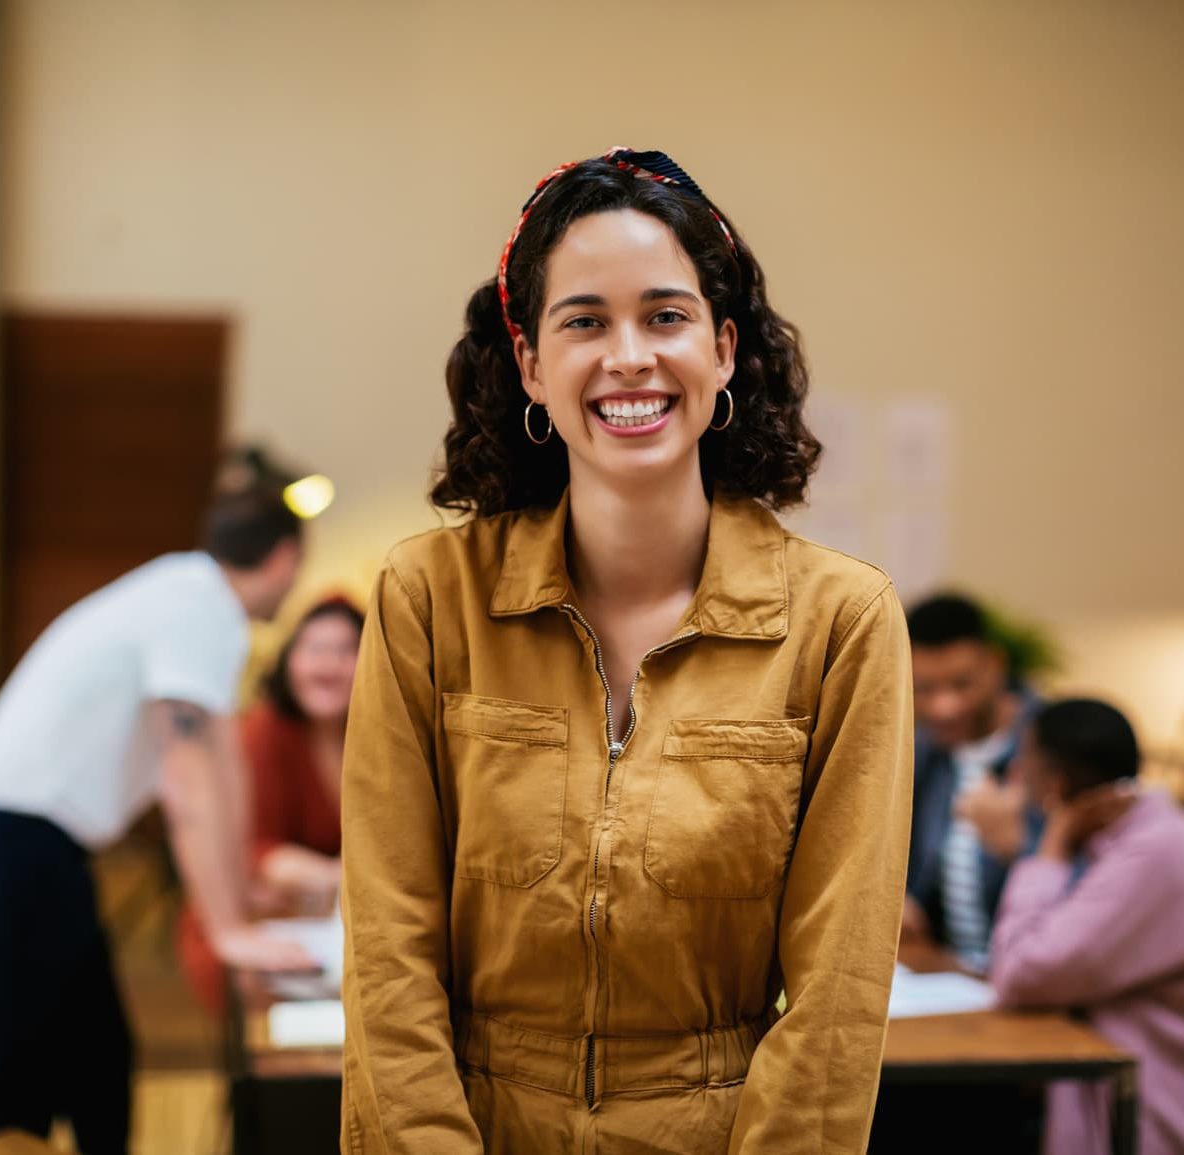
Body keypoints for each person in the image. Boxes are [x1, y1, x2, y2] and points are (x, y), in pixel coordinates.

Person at [341, 147, 914, 1154]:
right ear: (530, 363)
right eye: (584, 321)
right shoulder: (428, 598)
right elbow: (387, 951)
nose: (630, 358)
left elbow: (838, 994)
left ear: (725, 348)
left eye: (665, 316)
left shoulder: (842, 623)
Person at [0, 465, 317, 1154]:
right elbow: (190, 772)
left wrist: (241, 890)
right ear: (286, 556)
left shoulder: (189, 597)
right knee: (27, 1069)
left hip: (38, 844)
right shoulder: (198, 606)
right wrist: (227, 926)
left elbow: (223, 763)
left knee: (97, 1055)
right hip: (17, 841)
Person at [992, 699, 1184, 1155]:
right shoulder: (1131, 837)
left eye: (1026, 763)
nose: (1018, 774)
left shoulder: (1154, 852)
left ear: (1054, 786)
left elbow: (1022, 973)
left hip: (1151, 1111)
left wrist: (1052, 848)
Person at [178, 595, 363, 1014]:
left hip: (342, 915)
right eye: (314, 649)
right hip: (261, 907)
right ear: (290, 660)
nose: (327, 665)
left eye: (345, 650)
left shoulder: (381, 736)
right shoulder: (265, 730)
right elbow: (247, 850)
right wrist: (337, 876)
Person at [903, 592, 1040, 970]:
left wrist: (1019, 849)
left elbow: (1105, 893)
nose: (944, 707)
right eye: (924, 689)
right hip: (945, 976)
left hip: (1028, 981)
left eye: (962, 685)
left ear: (995, 665)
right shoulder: (920, 753)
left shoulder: (1053, 746)